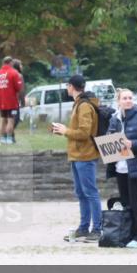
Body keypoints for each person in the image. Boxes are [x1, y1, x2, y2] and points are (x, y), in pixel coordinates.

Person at [52, 74, 104, 243]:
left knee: (90, 193)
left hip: (85, 155)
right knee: (81, 193)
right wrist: (63, 131)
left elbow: (84, 133)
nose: (67, 88)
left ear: (71, 86)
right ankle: (83, 228)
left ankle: (97, 229)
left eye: (67, 85)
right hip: (77, 155)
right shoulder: (79, 104)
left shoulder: (84, 106)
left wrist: (66, 131)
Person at [107, 88, 137, 248]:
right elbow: (108, 138)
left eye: (130, 97)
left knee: (135, 202)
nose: (128, 100)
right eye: (125, 98)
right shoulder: (114, 119)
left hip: (135, 166)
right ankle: (128, 234)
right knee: (125, 202)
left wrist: (132, 144)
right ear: (119, 101)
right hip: (119, 166)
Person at [0, 57, 23, 144]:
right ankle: (9, 138)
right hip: (12, 101)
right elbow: (18, 87)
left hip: (1, 100)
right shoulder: (14, 73)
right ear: (10, 63)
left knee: (2, 119)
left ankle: (2, 138)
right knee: (11, 120)